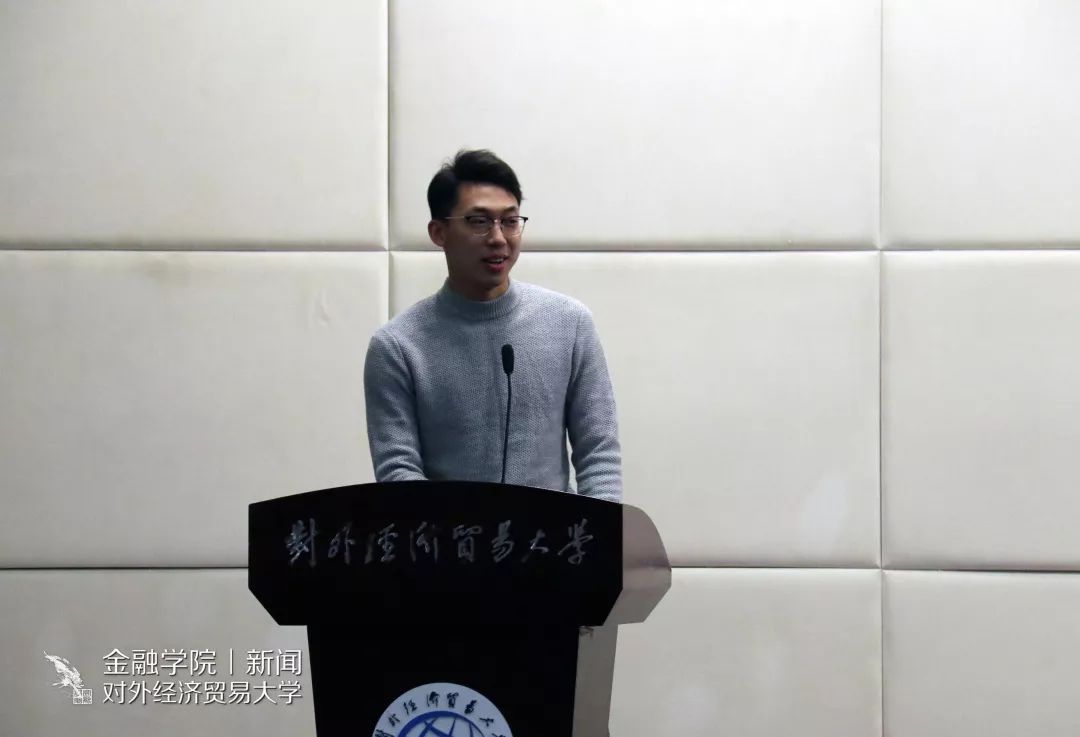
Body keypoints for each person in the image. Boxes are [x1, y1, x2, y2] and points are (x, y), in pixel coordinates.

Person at [363, 149, 621, 502]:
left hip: (557, 535)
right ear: (439, 232)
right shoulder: (397, 346)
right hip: (450, 534)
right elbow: (398, 470)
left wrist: (600, 531)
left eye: (510, 221)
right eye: (479, 221)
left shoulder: (570, 323)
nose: (498, 238)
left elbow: (599, 451)